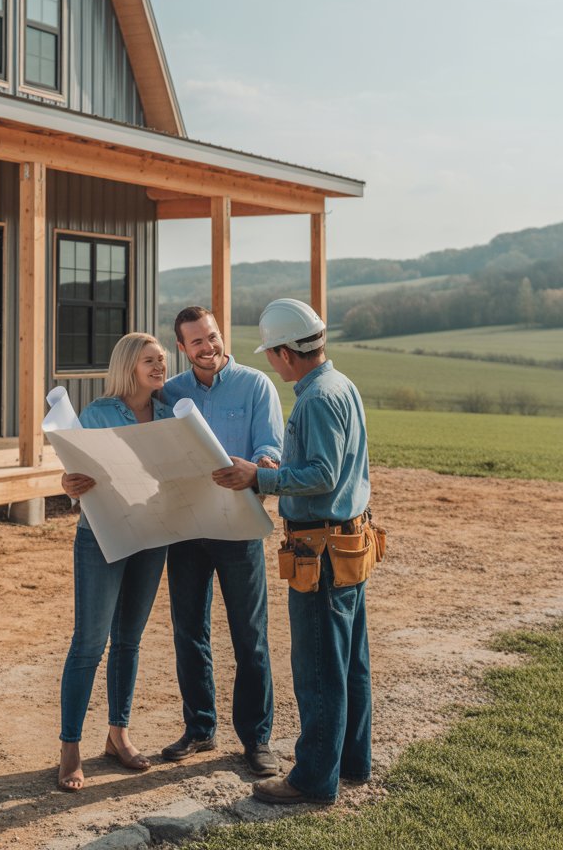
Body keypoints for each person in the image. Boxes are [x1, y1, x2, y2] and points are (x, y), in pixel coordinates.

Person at [213, 298, 374, 806]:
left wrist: (257, 476)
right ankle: (350, 762)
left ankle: (311, 781)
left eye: (272, 354)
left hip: (320, 550)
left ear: (286, 352)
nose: (269, 363)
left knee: (319, 669)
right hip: (347, 542)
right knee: (349, 662)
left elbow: (322, 474)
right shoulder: (340, 385)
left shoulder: (316, 399)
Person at [159, 306, 284, 777]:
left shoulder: (256, 386)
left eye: (212, 337)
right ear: (182, 348)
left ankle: (256, 739)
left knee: (249, 637)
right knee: (188, 632)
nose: (208, 348)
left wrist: (260, 466)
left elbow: (271, 449)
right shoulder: (170, 394)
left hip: (238, 525)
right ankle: (200, 728)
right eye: (197, 342)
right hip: (187, 528)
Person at [57, 332, 174, 793]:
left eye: (163, 359)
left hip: (152, 535)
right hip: (101, 537)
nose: (160, 366)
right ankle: (70, 746)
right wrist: (69, 483)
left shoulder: (170, 415)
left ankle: (118, 735)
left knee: (129, 640)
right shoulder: (98, 413)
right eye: (150, 360)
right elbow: (73, 473)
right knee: (89, 643)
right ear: (129, 365)